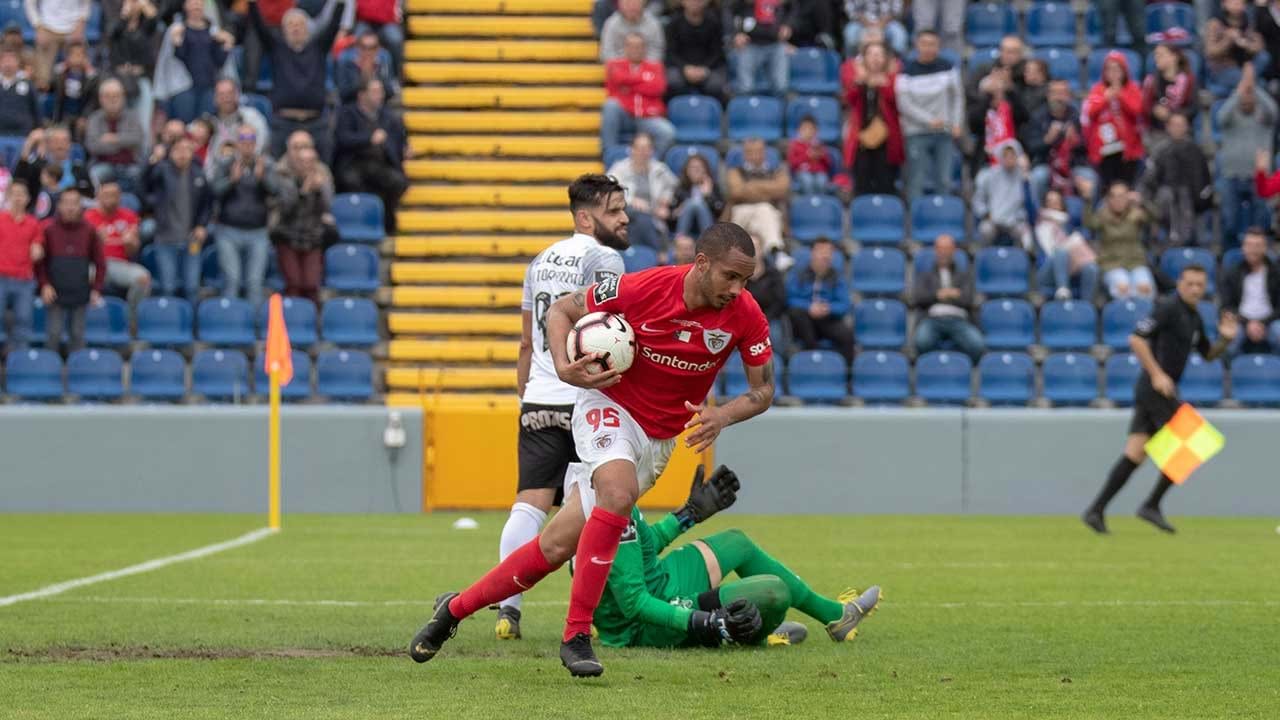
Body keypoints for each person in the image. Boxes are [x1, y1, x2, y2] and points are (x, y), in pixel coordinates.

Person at [411, 222, 776, 677]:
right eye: (730, 276)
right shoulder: (643, 287)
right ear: (701, 264)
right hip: (607, 405)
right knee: (618, 494)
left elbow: (763, 392)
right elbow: (562, 310)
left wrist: (724, 414)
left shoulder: (746, 316)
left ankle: (453, 610)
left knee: (555, 545)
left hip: (657, 440)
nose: (737, 289)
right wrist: (565, 368)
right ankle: (576, 635)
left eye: (746, 280)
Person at [497, 174, 629, 641]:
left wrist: (525, 396)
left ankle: (507, 612)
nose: (624, 217)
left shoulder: (539, 261)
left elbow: (524, 343)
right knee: (587, 510)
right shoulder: (605, 259)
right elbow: (611, 329)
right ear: (586, 217)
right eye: (614, 210)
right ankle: (584, 620)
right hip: (584, 397)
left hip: (538, 396)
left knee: (528, 506)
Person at [596, 464, 882, 648]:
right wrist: (700, 620)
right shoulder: (606, 498)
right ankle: (750, 634)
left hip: (659, 580)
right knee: (774, 592)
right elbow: (634, 603)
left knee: (737, 542)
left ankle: (836, 617)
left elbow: (640, 549)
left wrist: (688, 515)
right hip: (646, 622)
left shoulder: (607, 480)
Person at [1083, 265, 1238, 535]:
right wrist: (1156, 374)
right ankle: (1151, 505)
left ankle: (1096, 510)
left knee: (1135, 453)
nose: (1195, 289)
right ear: (1180, 283)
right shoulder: (1167, 307)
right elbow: (1137, 339)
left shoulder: (1194, 317)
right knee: (1195, 440)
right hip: (1155, 388)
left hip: (1162, 389)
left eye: (1200, 285)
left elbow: (1208, 354)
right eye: (1190, 283)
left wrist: (1224, 340)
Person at [249, 0, 347, 160]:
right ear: (283, 29)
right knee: (277, 169)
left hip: (316, 122)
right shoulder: (276, 49)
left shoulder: (319, 48)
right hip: (283, 122)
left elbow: (333, 25)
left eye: (300, 24)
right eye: (291, 24)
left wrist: (341, 4)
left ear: (307, 29)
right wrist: (252, 4)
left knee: (324, 166)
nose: (295, 28)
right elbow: (259, 26)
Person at [210, 123, 283, 308]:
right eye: (243, 139)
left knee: (254, 282)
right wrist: (231, 181)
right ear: (236, 142)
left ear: (256, 142)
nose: (247, 144)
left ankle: (255, 328)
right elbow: (214, 191)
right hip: (228, 230)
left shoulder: (266, 164)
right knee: (232, 279)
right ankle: (230, 324)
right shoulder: (226, 163)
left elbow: (276, 191)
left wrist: (263, 179)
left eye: (251, 139)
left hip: (258, 231)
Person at [334, 77, 407, 235]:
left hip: (380, 165)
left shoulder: (387, 116)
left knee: (398, 182)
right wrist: (368, 139)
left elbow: (399, 138)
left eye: (380, 91)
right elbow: (342, 138)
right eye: (374, 92)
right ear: (362, 95)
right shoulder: (347, 113)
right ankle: (360, 222)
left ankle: (387, 222)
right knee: (351, 181)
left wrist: (405, 148)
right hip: (354, 163)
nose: (379, 95)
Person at [895, 30, 963, 201]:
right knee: (916, 179)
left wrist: (956, 122)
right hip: (916, 132)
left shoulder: (948, 68)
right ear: (917, 45)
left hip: (944, 131)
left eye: (932, 44)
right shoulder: (905, 71)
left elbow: (958, 97)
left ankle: (944, 219)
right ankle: (916, 220)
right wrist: (929, 121)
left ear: (938, 47)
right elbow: (904, 104)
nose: (928, 48)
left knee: (944, 179)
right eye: (924, 43)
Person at [38, 187, 104, 355]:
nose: (70, 207)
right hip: (55, 292)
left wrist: (96, 289)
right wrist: (44, 285)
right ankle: (48, 376)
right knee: (53, 335)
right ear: (59, 206)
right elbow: (40, 263)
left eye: (74, 203)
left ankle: (77, 376)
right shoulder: (48, 229)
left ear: (80, 206)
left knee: (77, 336)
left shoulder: (89, 230)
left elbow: (100, 263)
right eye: (66, 203)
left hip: (80, 292)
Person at [145, 135, 211, 298]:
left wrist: (202, 225)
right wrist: (152, 162)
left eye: (187, 150)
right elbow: (143, 186)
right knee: (168, 287)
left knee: (192, 288)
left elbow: (207, 204)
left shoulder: (198, 174)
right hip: (165, 238)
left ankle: (192, 323)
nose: (183, 154)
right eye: (178, 150)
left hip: (191, 240)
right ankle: (171, 321)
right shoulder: (161, 170)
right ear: (171, 152)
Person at [1138, 112, 1213, 250]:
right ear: (1168, 127)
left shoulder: (1196, 151)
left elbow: (1205, 181)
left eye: (1181, 125)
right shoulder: (1160, 151)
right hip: (1165, 206)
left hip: (1194, 206)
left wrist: (1200, 202)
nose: (1178, 128)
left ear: (1186, 127)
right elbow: (1148, 181)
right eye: (1175, 125)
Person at [1219, 69, 1277, 244]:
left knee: (1260, 222)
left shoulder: (1264, 118)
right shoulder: (1230, 119)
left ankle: (1260, 255)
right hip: (1232, 174)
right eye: (1243, 96)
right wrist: (1239, 90)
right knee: (1230, 221)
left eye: (1249, 95)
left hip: (1258, 177)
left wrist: (1254, 87)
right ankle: (1230, 257)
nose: (1246, 98)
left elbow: (1273, 110)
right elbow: (1221, 116)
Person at [271, 146, 333, 303]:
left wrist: (319, 191)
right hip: (288, 238)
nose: (307, 165)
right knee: (294, 282)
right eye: (303, 161)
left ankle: (312, 321)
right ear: (295, 162)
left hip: (312, 239)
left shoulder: (322, 181)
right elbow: (285, 210)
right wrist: (303, 193)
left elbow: (327, 208)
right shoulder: (285, 180)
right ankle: (293, 319)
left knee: (311, 284)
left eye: (311, 161)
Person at [601, 33, 675, 158]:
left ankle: (648, 162)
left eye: (639, 47)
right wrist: (644, 81)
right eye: (631, 46)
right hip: (625, 115)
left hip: (648, 116)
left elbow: (658, 88)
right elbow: (617, 80)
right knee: (610, 105)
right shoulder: (614, 65)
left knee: (668, 133)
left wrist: (628, 86)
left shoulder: (655, 66)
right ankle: (609, 155)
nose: (635, 50)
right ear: (625, 48)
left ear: (645, 49)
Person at [842, 41, 902, 196]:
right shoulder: (859, 79)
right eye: (871, 54)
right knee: (861, 185)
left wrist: (884, 84)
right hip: (862, 139)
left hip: (886, 141)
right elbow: (849, 100)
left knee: (886, 185)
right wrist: (859, 83)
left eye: (879, 54)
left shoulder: (894, 78)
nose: (875, 59)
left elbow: (898, 103)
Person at [912, 233, 983, 361]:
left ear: (953, 250)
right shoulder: (926, 276)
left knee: (977, 345)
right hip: (933, 318)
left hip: (959, 319)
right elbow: (919, 297)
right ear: (936, 251)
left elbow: (968, 299)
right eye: (941, 249)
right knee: (921, 341)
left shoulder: (964, 276)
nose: (944, 253)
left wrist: (941, 294)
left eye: (947, 249)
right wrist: (941, 294)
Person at [1081, 178, 1155, 300]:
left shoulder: (1136, 214)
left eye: (1122, 196)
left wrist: (1143, 201)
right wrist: (1088, 200)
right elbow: (1088, 224)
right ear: (1108, 199)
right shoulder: (1102, 215)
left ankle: (1144, 319)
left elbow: (1155, 217)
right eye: (1113, 196)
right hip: (1112, 264)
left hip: (1136, 263)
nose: (1118, 200)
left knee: (1145, 289)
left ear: (1128, 197)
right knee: (1123, 288)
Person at [1024, 80, 1097, 204]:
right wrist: (1047, 140)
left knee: (1090, 177)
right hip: (1046, 164)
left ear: (1069, 96)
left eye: (1062, 93)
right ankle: (1038, 218)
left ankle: (1088, 220)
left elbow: (1089, 147)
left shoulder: (1077, 117)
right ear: (1048, 95)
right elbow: (1031, 147)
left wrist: (1076, 142)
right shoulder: (1038, 117)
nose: (1058, 97)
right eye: (1055, 93)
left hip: (1073, 165)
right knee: (1037, 177)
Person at [605, 133, 677, 257]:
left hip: (653, 217)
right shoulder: (619, 169)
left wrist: (665, 200)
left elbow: (674, 186)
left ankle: (639, 258)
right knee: (639, 216)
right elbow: (607, 191)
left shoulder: (660, 169)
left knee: (641, 225)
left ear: (652, 151)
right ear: (632, 150)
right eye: (640, 148)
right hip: (625, 214)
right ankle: (659, 253)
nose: (643, 152)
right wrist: (631, 200)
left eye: (647, 148)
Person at [84, 178, 150, 308]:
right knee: (75, 274)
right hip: (94, 263)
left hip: (119, 264)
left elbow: (132, 251)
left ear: (120, 197)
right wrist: (95, 242)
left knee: (143, 278)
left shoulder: (129, 216)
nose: (111, 199)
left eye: (114, 195)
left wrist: (129, 242)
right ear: (98, 197)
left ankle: (132, 319)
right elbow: (80, 251)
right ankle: (82, 317)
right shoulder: (87, 217)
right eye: (106, 195)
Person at [786, 237, 854, 363]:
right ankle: (812, 363)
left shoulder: (837, 277)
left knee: (847, 335)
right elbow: (790, 299)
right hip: (805, 320)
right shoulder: (799, 274)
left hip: (827, 319)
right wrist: (809, 307)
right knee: (797, 314)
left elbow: (845, 304)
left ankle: (846, 376)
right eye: (821, 251)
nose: (825, 256)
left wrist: (829, 308)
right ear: (812, 253)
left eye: (829, 252)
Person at [1083, 51, 1144, 190]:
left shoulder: (1132, 89)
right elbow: (1090, 112)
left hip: (1129, 149)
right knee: (1108, 188)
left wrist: (1121, 96)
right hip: (1105, 149)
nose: (1113, 73)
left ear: (1124, 70)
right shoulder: (1098, 90)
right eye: (1109, 69)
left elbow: (1137, 111)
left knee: (1127, 187)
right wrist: (1106, 99)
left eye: (1117, 68)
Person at [167, 0, 234, 122]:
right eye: (193, 2)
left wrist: (227, 45)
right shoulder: (179, 29)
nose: (196, 5)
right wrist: (176, 43)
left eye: (199, 2)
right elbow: (177, 59)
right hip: (184, 87)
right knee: (185, 122)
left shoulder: (212, 31)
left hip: (208, 86)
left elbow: (219, 61)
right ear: (185, 5)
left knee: (205, 124)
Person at [1219, 228, 1280, 355]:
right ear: (1243, 248)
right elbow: (1226, 306)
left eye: (1258, 245)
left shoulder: (1276, 273)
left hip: (1270, 321)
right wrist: (1248, 323)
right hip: (1241, 321)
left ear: (1265, 248)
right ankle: (1229, 373)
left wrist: (1262, 323)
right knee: (1230, 336)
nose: (1253, 250)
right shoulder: (1232, 273)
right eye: (1249, 245)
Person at [1034, 189, 1100, 302]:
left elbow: (1086, 232)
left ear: (1062, 205)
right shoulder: (1040, 223)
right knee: (1061, 251)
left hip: (1072, 268)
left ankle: (1086, 306)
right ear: (1045, 204)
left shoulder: (1069, 224)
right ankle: (1063, 291)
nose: (1052, 205)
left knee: (1091, 268)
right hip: (1047, 271)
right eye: (1049, 202)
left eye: (1056, 202)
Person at [726, 137, 789, 254]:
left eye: (758, 151)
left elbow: (782, 190)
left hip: (767, 215)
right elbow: (736, 191)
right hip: (741, 212)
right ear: (744, 154)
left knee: (764, 211)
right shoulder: (734, 172)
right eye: (750, 152)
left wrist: (751, 186)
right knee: (764, 209)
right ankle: (776, 253)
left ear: (764, 153)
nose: (755, 155)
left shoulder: (777, 172)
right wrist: (767, 193)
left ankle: (772, 252)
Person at [0, 182, 41, 352]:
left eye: (21, 194)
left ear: (28, 199)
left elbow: (38, 245)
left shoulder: (34, 224)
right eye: (14, 193)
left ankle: (19, 360)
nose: (18, 198)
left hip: (24, 280)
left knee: (24, 320)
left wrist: (38, 250)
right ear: (8, 197)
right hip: (1, 277)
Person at [84, 78, 145, 192]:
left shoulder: (133, 117)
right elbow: (93, 146)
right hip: (102, 164)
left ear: (123, 97)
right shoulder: (94, 118)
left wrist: (113, 138)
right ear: (100, 99)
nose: (112, 100)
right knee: (93, 176)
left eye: (116, 96)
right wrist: (123, 144)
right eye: (108, 96)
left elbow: (137, 139)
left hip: (130, 165)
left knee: (140, 177)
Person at [14, 126, 93, 210]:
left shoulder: (79, 168)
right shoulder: (38, 166)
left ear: (70, 144)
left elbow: (91, 196)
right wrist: (28, 144)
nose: (60, 145)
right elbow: (19, 181)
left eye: (65, 141)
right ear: (48, 144)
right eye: (56, 141)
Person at [663, 0, 726, 101]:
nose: (695, 3)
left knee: (715, 84)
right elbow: (671, 53)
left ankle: (713, 113)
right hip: (681, 66)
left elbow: (717, 52)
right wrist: (684, 68)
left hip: (708, 67)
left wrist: (705, 68)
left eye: (698, 1)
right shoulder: (674, 23)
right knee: (673, 81)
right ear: (683, 2)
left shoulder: (714, 22)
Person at [973, 139, 1031, 247]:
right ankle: (984, 258)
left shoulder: (1023, 176)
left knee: (1025, 235)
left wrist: (1019, 217)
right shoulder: (989, 175)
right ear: (1001, 157)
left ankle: (1024, 260)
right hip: (993, 220)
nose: (1009, 159)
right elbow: (978, 199)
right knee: (985, 230)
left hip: (1015, 221)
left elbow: (1027, 205)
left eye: (1012, 156)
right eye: (1006, 156)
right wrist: (986, 213)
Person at [25, 0, 91, 91]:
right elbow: (29, 3)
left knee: (82, 67)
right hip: (47, 27)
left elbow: (86, 3)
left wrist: (81, 24)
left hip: (74, 28)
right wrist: (38, 26)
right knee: (42, 80)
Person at [728, 0, 788, 96]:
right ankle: (747, 110)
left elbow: (794, 9)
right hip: (749, 43)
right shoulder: (739, 5)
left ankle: (779, 109)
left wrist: (789, 26)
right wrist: (735, 34)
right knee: (745, 88)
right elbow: (728, 11)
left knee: (780, 87)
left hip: (775, 43)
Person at [1205, 0, 1263, 96]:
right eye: (1234, 2)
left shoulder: (1246, 21)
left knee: (1264, 57)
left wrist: (1246, 44)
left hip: (1244, 64)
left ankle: (1248, 81)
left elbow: (1259, 45)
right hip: (1223, 67)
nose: (1238, 5)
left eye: (1241, 3)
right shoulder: (1215, 23)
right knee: (1254, 85)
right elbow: (1210, 52)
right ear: (1224, 4)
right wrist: (1228, 40)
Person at [207, 79, 270, 164]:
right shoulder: (208, 122)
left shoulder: (252, 116)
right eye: (221, 94)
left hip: (249, 166)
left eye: (230, 93)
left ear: (237, 95)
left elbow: (262, 143)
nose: (226, 98)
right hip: (216, 171)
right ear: (215, 98)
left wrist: (245, 161)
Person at [1142, 44, 1198, 141]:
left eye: (1161, 55)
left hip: (1181, 129)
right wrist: (1155, 110)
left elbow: (1193, 107)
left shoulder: (1189, 80)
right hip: (1158, 131)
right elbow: (1146, 107)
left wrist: (1174, 115)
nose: (1156, 58)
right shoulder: (1151, 81)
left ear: (1174, 57)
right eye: (1156, 55)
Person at [670, 153, 724, 245]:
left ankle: (708, 243)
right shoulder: (680, 189)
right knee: (692, 203)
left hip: (707, 226)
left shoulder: (713, 187)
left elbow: (720, 212)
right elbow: (671, 217)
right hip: (686, 225)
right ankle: (681, 242)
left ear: (705, 170)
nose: (696, 171)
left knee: (695, 203)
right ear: (686, 170)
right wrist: (677, 212)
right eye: (692, 168)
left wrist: (708, 196)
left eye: (699, 168)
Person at [335, 28, 399, 105]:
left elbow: (390, 92)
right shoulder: (348, 62)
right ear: (358, 48)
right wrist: (363, 75)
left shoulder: (383, 61)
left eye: (372, 47)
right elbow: (343, 94)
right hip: (353, 110)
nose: (368, 52)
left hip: (378, 110)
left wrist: (375, 74)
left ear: (378, 49)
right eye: (364, 47)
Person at [49, 38, 94, 130]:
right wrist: (62, 68)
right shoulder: (61, 73)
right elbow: (50, 86)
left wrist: (85, 117)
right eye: (73, 54)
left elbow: (92, 100)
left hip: (82, 116)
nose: (77, 58)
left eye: (80, 54)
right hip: (64, 115)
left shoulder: (91, 76)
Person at [842, 0, 907, 57]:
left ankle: (896, 66)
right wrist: (866, 22)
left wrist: (882, 23)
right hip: (860, 22)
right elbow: (850, 8)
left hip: (888, 22)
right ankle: (851, 65)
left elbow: (897, 9)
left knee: (899, 36)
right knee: (850, 33)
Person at [787, 116, 831, 196]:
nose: (808, 132)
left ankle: (820, 202)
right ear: (799, 130)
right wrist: (807, 155)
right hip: (802, 172)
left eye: (811, 129)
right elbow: (792, 163)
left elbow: (828, 164)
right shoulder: (795, 145)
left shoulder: (819, 145)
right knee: (807, 180)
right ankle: (810, 203)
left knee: (822, 180)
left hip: (819, 172)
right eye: (804, 129)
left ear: (816, 131)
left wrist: (821, 155)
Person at [0, 47, 38, 137]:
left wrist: (39, 128)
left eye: (11, 60)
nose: (8, 64)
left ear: (18, 63)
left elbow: (35, 108)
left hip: (23, 132)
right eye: (5, 60)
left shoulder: (27, 83)